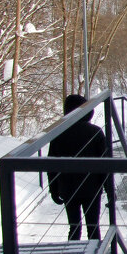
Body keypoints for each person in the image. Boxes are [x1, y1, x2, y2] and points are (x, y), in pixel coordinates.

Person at [48, 93, 111, 241]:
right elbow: (105, 164)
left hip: (68, 188)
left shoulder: (58, 134)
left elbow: (51, 164)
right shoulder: (95, 132)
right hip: (92, 188)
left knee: (74, 227)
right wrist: (109, 189)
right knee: (93, 227)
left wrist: (54, 189)